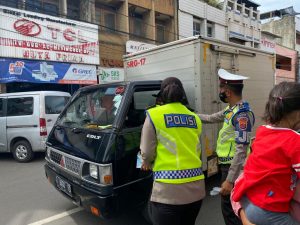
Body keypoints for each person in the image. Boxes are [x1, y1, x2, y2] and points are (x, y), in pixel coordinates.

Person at [232, 81, 300, 225]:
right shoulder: (294, 140)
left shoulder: (263, 131)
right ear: (297, 113)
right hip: (269, 210)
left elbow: (250, 170)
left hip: (248, 200)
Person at [140, 77, 205, 225]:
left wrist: (146, 161)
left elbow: (147, 152)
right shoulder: (194, 117)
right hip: (196, 190)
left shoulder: (154, 115)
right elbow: (196, 148)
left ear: (162, 94)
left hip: (167, 191)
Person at [198, 69, 255, 225]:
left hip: (234, 169)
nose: (220, 92)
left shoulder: (241, 115)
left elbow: (241, 150)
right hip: (226, 166)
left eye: (221, 89)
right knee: (230, 208)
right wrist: (190, 115)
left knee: (231, 211)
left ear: (228, 92)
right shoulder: (231, 110)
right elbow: (210, 118)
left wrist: (230, 180)